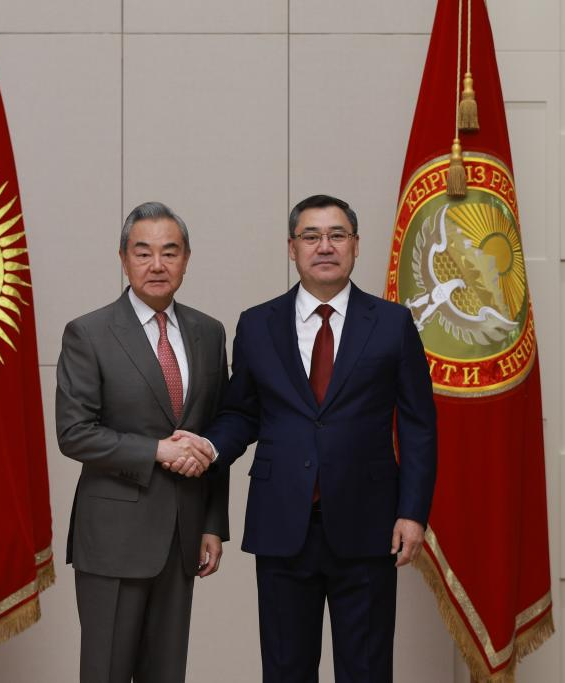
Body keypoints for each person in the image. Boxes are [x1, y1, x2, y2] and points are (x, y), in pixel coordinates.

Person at [175, 194, 437, 682]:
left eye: (337, 235)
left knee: (367, 670)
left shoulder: (393, 324)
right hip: (282, 524)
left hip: (369, 524)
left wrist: (412, 512)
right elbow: (241, 413)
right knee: (286, 670)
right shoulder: (258, 324)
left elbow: (418, 425)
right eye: (311, 236)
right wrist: (207, 448)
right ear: (292, 248)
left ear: (356, 245)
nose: (325, 246)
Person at [56, 201, 229, 683]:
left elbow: (215, 432)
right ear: (123, 258)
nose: (157, 265)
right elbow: (74, 433)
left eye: (169, 252)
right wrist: (156, 450)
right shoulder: (88, 333)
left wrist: (212, 524)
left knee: (167, 674)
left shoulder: (209, 333)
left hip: (183, 538)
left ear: (186, 259)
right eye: (143, 252)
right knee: (106, 672)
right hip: (113, 540)